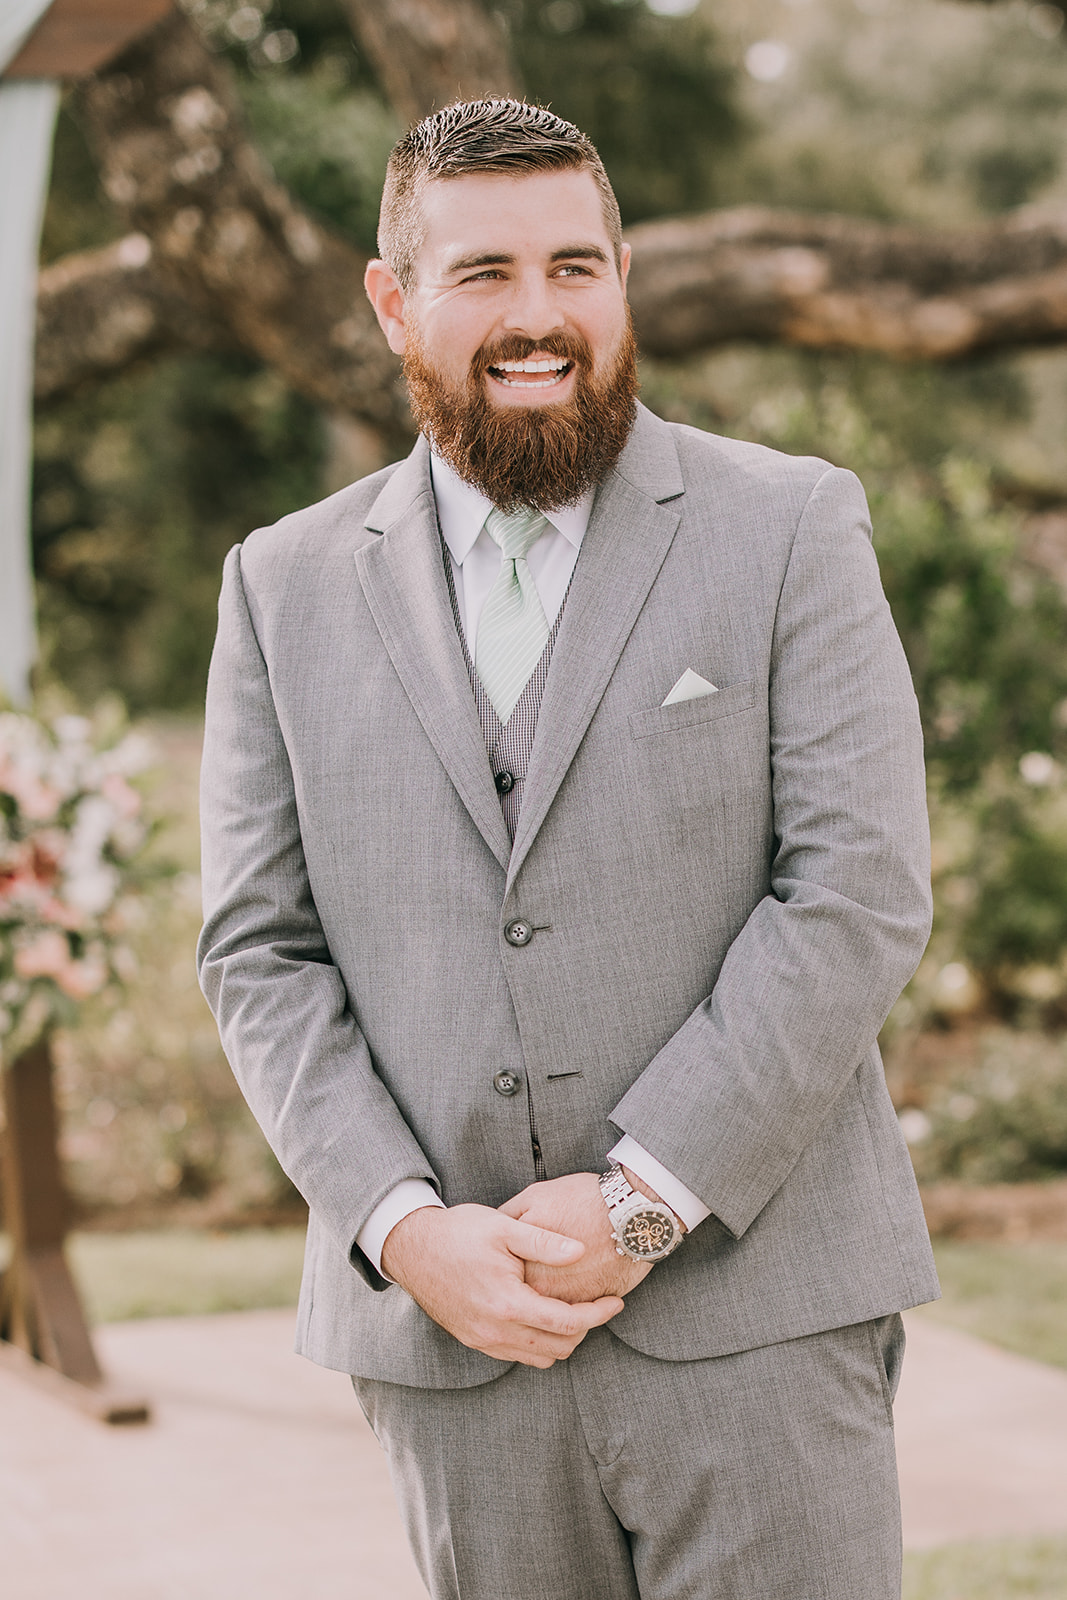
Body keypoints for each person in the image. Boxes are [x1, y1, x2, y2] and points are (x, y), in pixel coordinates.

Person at [198, 97, 938, 1600]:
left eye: (577, 268)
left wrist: (641, 1197)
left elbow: (857, 893)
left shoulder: (792, 527)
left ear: (621, 280)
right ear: (393, 297)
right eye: (485, 274)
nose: (541, 319)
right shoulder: (280, 588)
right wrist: (406, 1237)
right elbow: (257, 956)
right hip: (455, 1355)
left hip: (762, 1325)